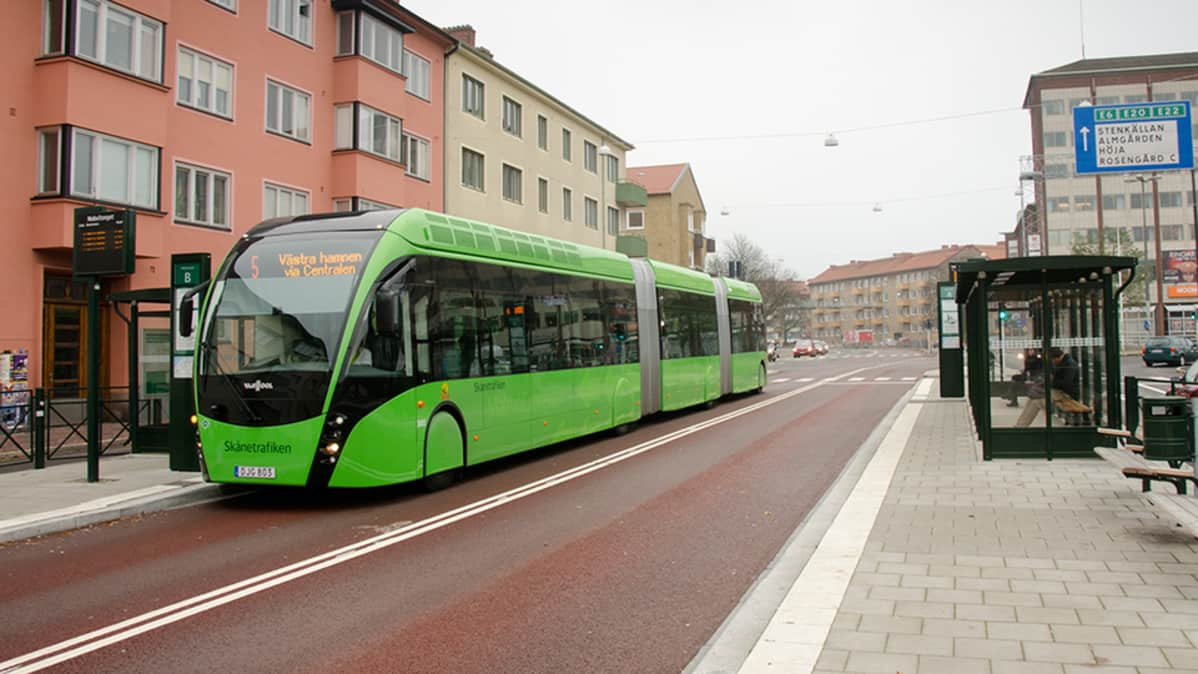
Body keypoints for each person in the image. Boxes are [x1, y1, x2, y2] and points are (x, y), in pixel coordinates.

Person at [1015, 348, 1081, 427]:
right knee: (1033, 398)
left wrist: (1049, 382)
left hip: (1066, 395)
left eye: (1052, 360)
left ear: (1057, 357)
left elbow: (1065, 384)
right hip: (1059, 393)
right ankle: (1020, 425)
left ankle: (1021, 426)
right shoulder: (1064, 363)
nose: (1052, 362)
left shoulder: (1069, 365)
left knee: (1036, 401)